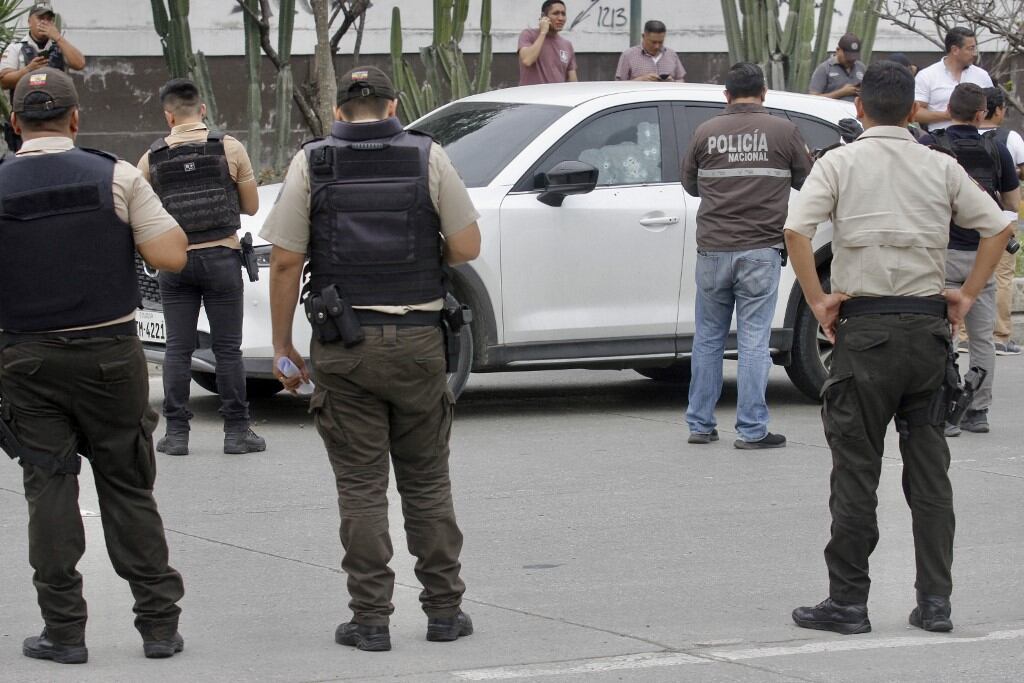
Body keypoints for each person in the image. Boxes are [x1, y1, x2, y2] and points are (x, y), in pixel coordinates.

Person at [786, 61, 1013, 636]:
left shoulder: (838, 162)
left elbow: (796, 230)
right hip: (927, 335)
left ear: (859, 108)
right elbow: (998, 226)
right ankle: (935, 602)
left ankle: (849, 603)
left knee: (856, 471)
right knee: (930, 475)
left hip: (863, 334)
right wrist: (965, 293)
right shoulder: (939, 164)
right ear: (915, 111)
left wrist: (818, 301)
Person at [262, 66, 481, 652]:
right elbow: (465, 246)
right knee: (428, 482)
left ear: (339, 112)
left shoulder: (313, 162)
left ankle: (370, 621)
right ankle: (443, 612)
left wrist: (282, 347)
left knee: (361, 488)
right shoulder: (427, 157)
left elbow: (285, 261)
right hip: (417, 344)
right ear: (393, 106)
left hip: (344, 347)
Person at [0, 68, 188, 664]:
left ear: (14, 123)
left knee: (48, 490)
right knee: (128, 487)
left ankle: (64, 632)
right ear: (75, 119)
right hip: (110, 355)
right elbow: (171, 254)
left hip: (26, 360)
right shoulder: (116, 174)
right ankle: (158, 625)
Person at [681, 62, 812, 449]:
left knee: (707, 338)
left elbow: (689, 184)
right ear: (765, 93)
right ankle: (752, 430)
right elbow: (807, 178)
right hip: (760, 250)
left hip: (714, 250)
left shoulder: (705, 132)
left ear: (726, 95)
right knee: (754, 340)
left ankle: (700, 425)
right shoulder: (784, 132)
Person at [137, 78, 265, 456]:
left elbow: (139, 212)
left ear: (168, 115)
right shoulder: (229, 147)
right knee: (228, 350)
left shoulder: (152, 157)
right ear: (203, 110)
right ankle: (237, 433)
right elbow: (252, 206)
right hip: (223, 259)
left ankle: (176, 436)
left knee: (177, 349)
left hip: (175, 263)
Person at [918, 83, 1020, 436]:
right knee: (981, 337)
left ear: (948, 108)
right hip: (981, 256)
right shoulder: (997, 149)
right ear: (982, 114)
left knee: (940, 336)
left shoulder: (929, 146)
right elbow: (1011, 204)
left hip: (939, 253)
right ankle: (977, 411)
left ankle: (945, 410)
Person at [0, 3, 85, 151]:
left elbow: (79, 63)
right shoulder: (16, 47)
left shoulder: (60, 46)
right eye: (40, 18)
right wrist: (27, 70)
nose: (44, 22)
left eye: (48, 19)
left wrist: (58, 37)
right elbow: (4, 81)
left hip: (56, 118)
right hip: (26, 119)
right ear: (29, 21)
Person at [979, 86, 1024, 356]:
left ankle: (962, 335)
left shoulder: (958, 136)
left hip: (965, 217)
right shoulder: (1010, 138)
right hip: (1002, 218)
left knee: (964, 273)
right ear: (998, 110)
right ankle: (999, 335)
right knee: (1002, 275)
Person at [914, 27, 993, 131]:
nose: (974, 53)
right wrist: (947, 115)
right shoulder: (927, 75)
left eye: (975, 48)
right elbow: (915, 112)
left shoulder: (982, 75)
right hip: (941, 142)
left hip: (979, 141)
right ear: (955, 50)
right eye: (970, 48)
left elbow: (994, 110)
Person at [518, 0, 578, 85]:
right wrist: (543, 33)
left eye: (563, 14)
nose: (560, 18)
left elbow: (573, 81)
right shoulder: (528, 34)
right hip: (531, 97)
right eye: (556, 13)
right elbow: (527, 60)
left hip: (557, 97)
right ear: (543, 16)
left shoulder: (567, 45)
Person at [614, 20, 686, 82]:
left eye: (660, 42)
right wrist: (640, 80)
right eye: (653, 42)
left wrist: (673, 82)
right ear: (643, 36)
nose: (657, 46)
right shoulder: (628, 55)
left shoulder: (672, 55)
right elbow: (619, 85)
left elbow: (681, 80)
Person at [809, 33, 867, 102]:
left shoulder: (861, 67)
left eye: (854, 57)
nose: (851, 60)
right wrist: (841, 92)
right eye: (847, 56)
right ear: (838, 50)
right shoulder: (825, 68)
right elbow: (813, 98)